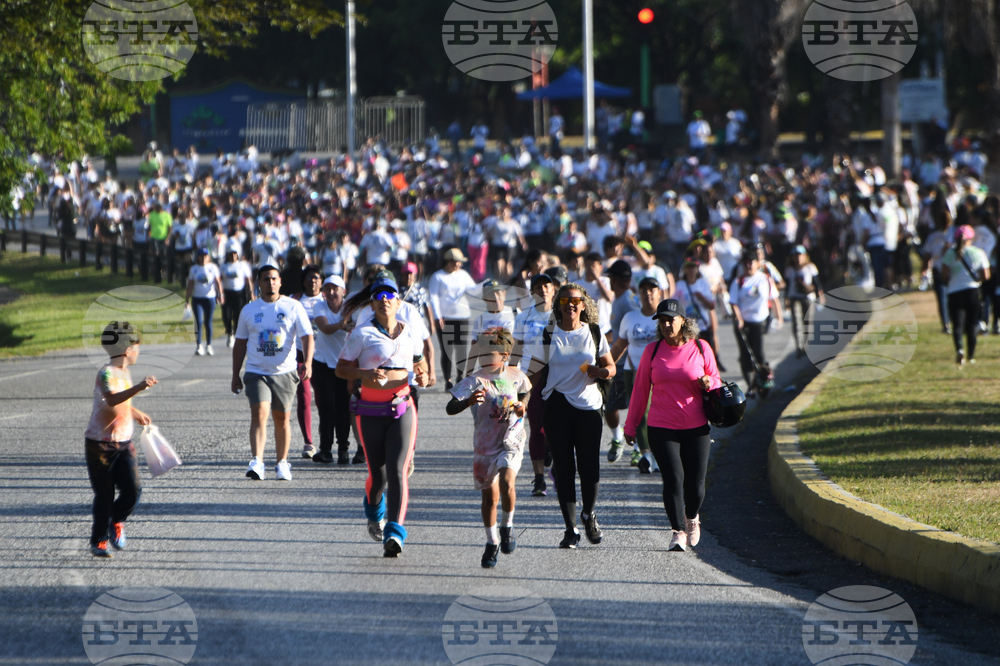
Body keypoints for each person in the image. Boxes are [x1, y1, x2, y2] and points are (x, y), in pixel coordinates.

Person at [336, 275, 430, 558]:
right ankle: (374, 511)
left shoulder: (409, 332)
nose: (384, 300)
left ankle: (394, 532)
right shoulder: (361, 334)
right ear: (372, 303)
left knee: (398, 472)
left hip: (402, 408)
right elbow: (341, 369)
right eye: (378, 296)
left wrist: (423, 375)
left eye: (390, 295)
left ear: (398, 302)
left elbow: (420, 363)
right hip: (369, 411)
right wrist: (363, 374)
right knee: (378, 478)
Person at [624, 298, 721, 552]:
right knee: (673, 479)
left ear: (683, 321)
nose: (666, 325)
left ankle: (692, 517)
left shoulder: (701, 347)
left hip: (696, 426)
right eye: (662, 321)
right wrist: (630, 426)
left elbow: (717, 380)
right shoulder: (652, 351)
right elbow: (640, 391)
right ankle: (678, 532)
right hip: (661, 427)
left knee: (696, 486)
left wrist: (709, 383)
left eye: (671, 320)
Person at [527, 284, 616, 549]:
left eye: (575, 300)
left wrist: (602, 373)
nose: (571, 305)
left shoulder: (594, 332)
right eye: (565, 300)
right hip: (557, 406)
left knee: (590, 468)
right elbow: (533, 373)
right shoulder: (548, 334)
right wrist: (521, 400)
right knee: (564, 468)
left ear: (584, 305)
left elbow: (610, 366)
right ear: (558, 305)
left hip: (589, 408)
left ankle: (588, 514)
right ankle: (570, 529)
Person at [447, 327, 531, 568]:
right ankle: (491, 542)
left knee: (507, 481)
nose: (483, 357)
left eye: (488, 353)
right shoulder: (474, 381)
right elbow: (450, 407)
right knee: (489, 499)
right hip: (485, 446)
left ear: (505, 355)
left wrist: (522, 405)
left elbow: (526, 391)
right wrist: (468, 401)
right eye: (480, 352)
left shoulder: (516, 375)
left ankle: (507, 527)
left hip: (511, 440)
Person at [231, 265, 314, 481]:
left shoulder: (293, 306)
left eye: (274, 279)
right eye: (266, 279)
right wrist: (235, 374)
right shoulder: (249, 310)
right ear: (259, 283)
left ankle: (282, 463)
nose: (271, 283)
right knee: (259, 413)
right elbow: (240, 344)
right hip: (256, 371)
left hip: (285, 372)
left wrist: (308, 362)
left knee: (281, 418)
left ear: (280, 282)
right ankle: (257, 461)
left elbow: (307, 336)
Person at [84, 322, 157, 557]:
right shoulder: (106, 373)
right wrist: (139, 387)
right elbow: (112, 400)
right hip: (99, 444)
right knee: (104, 494)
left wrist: (135, 413)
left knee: (133, 490)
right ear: (127, 350)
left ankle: (116, 519)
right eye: (137, 347)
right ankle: (99, 541)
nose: (138, 351)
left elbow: (121, 403)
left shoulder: (124, 372)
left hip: (124, 443)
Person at [610, 277, 662, 472]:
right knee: (640, 411)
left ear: (659, 292)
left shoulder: (665, 318)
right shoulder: (630, 318)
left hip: (661, 373)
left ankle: (660, 453)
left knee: (658, 413)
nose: (648, 293)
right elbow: (619, 346)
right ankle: (646, 455)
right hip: (633, 371)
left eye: (652, 289)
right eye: (643, 290)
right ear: (638, 294)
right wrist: (604, 367)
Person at [513, 273, 556, 497]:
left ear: (553, 289)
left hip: (558, 377)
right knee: (536, 427)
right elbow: (516, 350)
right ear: (532, 292)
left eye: (547, 286)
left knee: (555, 427)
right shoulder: (523, 318)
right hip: (531, 378)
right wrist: (511, 378)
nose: (543, 290)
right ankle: (539, 478)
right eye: (538, 287)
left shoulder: (560, 316)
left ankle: (552, 450)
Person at [311, 276, 352, 464]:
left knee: (344, 407)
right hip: (322, 363)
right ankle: (325, 449)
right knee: (327, 406)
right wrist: (343, 325)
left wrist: (348, 324)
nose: (331, 292)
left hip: (345, 363)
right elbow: (325, 328)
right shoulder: (319, 306)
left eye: (335, 289)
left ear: (343, 291)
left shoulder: (350, 308)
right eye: (327, 289)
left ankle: (343, 449)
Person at [730, 250, 782, 397]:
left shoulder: (765, 279)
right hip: (743, 322)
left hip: (759, 320)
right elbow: (733, 302)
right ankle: (751, 385)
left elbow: (774, 298)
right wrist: (739, 318)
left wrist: (779, 317)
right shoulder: (738, 281)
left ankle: (763, 382)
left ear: (757, 263)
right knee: (746, 354)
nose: (748, 266)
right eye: (745, 263)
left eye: (751, 262)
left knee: (758, 353)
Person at [940, 225, 991, 365]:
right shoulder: (978, 252)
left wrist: (952, 280)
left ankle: (959, 349)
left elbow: (944, 274)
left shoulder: (950, 253)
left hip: (954, 292)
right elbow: (986, 274)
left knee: (957, 325)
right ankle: (971, 356)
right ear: (971, 238)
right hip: (972, 291)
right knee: (971, 325)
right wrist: (977, 281)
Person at [429, 248, 478, 390]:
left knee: (462, 348)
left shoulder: (463, 275)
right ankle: (447, 380)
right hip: (445, 318)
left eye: (460, 262)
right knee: (447, 350)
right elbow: (433, 297)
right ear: (448, 261)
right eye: (456, 262)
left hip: (462, 316)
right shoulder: (437, 277)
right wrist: (437, 316)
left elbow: (473, 289)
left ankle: (460, 376)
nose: (458, 265)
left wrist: (485, 286)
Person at [293, 265, 326, 459]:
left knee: (323, 399)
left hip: (323, 356)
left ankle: (325, 439)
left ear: (321, 281)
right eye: (309, 278)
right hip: (300, 355)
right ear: (303, 281)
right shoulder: (295, 300)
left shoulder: (327, 299)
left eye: (316, 278)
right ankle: (308, 442)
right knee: (304, 396)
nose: (313, 281)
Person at [784, 246, 822, 358]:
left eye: (800, 255)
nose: (798, 258)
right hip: (794, 297)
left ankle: (806, 345)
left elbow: (817, 283)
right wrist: (786, 299)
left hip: (808, 297)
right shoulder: (789, 269)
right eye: (795, 256)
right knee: (797, 322)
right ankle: (799, 347)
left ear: (805, 256)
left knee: (808, 322)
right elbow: (787, 285)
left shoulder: (810, 267)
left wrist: (820, 296)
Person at [185, 248, 223, 357]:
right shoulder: (194, 269)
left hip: (210, 298)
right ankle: (199, 345)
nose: (203, 258)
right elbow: (190, 285)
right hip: (197, 299)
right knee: (198, 321)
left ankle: (209, 345)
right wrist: (187, 300)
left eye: (205, 256)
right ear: (198, 257)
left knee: (208, 321)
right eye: (201, 256)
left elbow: (217, 282)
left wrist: (220, 294)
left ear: (208, 257)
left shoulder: (213, 268)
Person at [221, 248, 254, 348]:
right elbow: (219, 280)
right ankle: (229, 332)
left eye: (235, 254)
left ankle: (236, 334)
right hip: (227, 293)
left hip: (240, 293)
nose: (233, 256)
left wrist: (251, 292)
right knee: (226, 315)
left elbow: (248, 280)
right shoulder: (223, 266)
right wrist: (219, 293)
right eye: (231, 254)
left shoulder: (242, 265)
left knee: (238, 315)